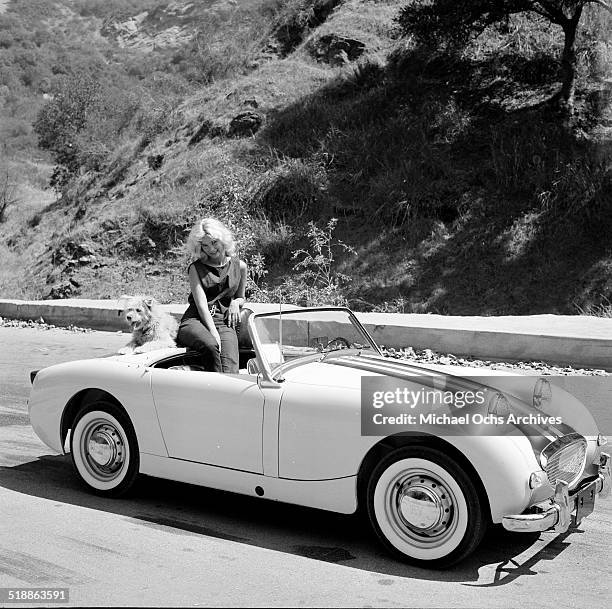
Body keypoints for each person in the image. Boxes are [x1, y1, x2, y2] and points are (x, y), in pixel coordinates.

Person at [177, 217, 247, 373]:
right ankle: (212, 390)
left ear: (223, 239)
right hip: (196, 320)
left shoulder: (240, 266)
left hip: (224, 320)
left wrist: (235, 303)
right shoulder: (195, 268)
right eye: (205, 245)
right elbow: (201, 305)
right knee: (211, 345)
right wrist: (213, 333)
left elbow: (241, 296)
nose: (211, 249)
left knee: (230, 368)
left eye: (214, 242)